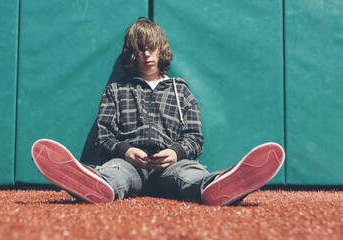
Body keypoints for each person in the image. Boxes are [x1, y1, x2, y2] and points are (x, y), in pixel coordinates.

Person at [31, 17, 285, 206]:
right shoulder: (117, 90)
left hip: (170, 166)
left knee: (191, 175)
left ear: (160, 50)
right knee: (115, 174)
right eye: (140, 49)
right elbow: (103, 135)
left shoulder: (181, 90)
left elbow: (195, 138)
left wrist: (175, 153)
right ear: (132, 54)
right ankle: (95, 183)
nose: (146, 54)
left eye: (151, 47)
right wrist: (126, 151)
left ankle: (217, 186)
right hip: (129, 164)